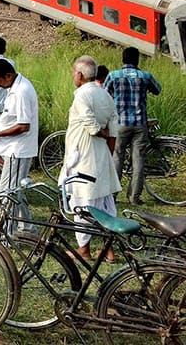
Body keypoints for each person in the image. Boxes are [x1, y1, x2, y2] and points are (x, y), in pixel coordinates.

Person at [62, 56, 120, 261]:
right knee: (105, 203)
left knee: (82, 203)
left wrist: (101, 134)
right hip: (102, 154)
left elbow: (92, 127)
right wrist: (108, 152)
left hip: (84, 156)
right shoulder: (105, 94)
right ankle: (108, 249)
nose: (73, 76)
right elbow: (113, 129)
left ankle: (84, 249)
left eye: (73, 73)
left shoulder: (82, 96)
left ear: (79, 75)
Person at [0, 59, 38, 235]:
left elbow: (23, 125)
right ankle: (27, 227)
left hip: (18, 150)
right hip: (13, 148)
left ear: (9, 75)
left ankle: (6, 233)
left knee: (7, 193)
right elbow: (14, 115)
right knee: (15, 191)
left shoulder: (21, 91)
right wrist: (0, 122)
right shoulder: (13, 88)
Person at [104, 46, 162, 205]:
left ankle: (113, 196)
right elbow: (157, 90)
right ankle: (134, 197)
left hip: (120, 124)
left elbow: (105, 94)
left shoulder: (114, 76)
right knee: (138, 160)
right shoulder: (145, 76)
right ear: (137, 60)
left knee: (117, 158)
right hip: (139, 124)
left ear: (123, 59)